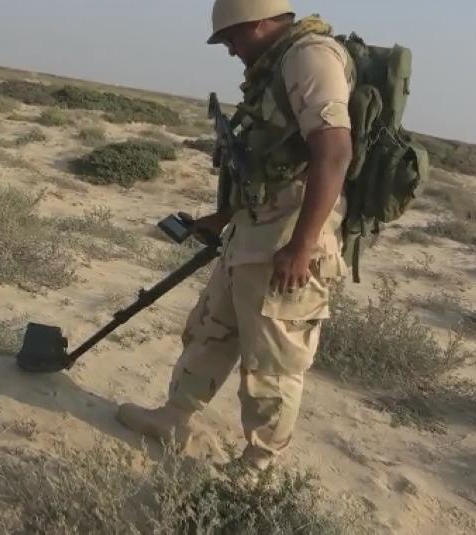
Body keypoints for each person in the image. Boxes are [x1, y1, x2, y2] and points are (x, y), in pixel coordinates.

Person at [115, 0, 354, 474]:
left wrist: (301, 247)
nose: (230, 51)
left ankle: (258, 466)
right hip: (250, 233)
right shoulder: (274, 66)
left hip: (288, 242)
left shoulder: (311, 56)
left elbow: (334, 153)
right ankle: (174, 418)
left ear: (259, 23)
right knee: (210, 331)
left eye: (232, 39)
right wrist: (222, 217)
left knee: (272, 364)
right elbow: (269, 162)